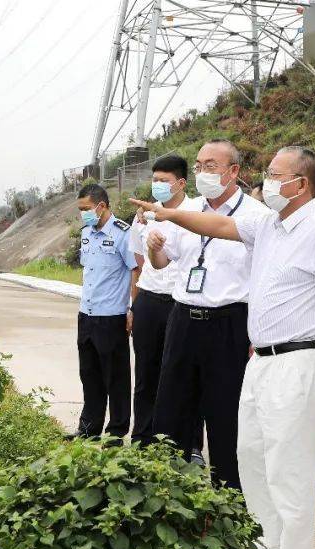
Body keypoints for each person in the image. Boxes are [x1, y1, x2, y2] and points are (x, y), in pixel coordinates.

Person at [135, 145, 315, 549]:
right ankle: (270, 543)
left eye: (276, 175)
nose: (267, 181)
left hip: (301, 359)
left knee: (291, 464)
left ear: (301, 184)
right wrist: (170, 213)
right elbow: (218, 224)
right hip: (262, 359)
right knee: (254, 455)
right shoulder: (269, 224)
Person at [143, 139, 266, 491]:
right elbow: (166, 262)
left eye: (211, 165)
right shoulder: (188, 211)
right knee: (171, 410)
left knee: (225, 415)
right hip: (183, 319)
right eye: (198, 166)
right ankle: (168, 493)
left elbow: (262, 281)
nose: (202, 172)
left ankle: (229, 500)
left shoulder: (256, 218)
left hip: (229, 324)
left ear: (234, 171)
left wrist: (255, 336)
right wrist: (154, 251)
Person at [128, 154, 203, 454]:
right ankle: (143, 439)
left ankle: (189, 446)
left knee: (185, 375)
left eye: (164, 181)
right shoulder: (144, 216)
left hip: (180, 302)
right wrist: (134, 307)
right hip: (148, 300)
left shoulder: (196, 212)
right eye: (154, 180)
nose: (157, 185)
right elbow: (137, 265)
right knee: (146, 373)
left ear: (181, 183)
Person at [74, 183, 136, 439]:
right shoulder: (86, 232)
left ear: (101, 206)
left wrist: (132, 309)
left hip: (112, 317)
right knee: (89, 375)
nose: (83, 214)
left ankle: (116, 432)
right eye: (80, 210)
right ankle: (89, 429)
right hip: (86, 314)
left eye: (86, 209)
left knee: (116, 378)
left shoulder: (124, 233)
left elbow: (136, 269)